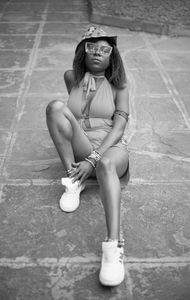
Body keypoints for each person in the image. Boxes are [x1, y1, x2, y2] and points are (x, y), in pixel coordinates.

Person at [46, 26, 129, 286]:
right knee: (55, 107)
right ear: (83, 51)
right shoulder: (72, 77)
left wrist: (93, 158)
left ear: (111, 57)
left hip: (110, 149)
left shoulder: (120, 85)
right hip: (82, 145)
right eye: (92, 48)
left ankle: (113, 247)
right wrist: (84, 85)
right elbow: (71, 116)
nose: (97, 53)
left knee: (104, 165)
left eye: (105, 50)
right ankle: (74, 178)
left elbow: (118, 129)